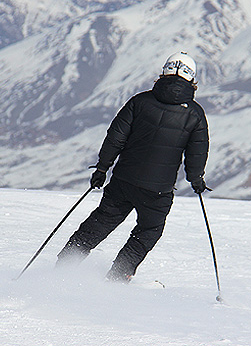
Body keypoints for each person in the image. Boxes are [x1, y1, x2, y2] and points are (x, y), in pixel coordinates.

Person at [56, 51, 210, 282]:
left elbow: (115, 138)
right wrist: (196, 180)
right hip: (158, 190)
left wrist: (102, 168)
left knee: (101, 222)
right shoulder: (195, 114)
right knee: (149, 231)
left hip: (123, 181)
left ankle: (64, 265)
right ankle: (118, 277)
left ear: (164, 73)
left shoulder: (140, 101)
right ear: (192, 79)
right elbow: (196, 154)